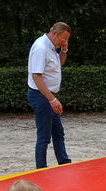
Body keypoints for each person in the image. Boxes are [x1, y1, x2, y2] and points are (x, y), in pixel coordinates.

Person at [27, 21, 73, 168]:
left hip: (47, 96)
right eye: (63, 39)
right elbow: (36, 76)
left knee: (58, 132)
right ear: (54, 34)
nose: (64, 42)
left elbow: (57, 65)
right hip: (41, 96)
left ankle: (64, 163)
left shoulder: (52, 47)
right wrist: (52, 99)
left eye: (66, 40)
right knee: (44, 136)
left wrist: (64, 50)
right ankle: (40, 169)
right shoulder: (41, 47)